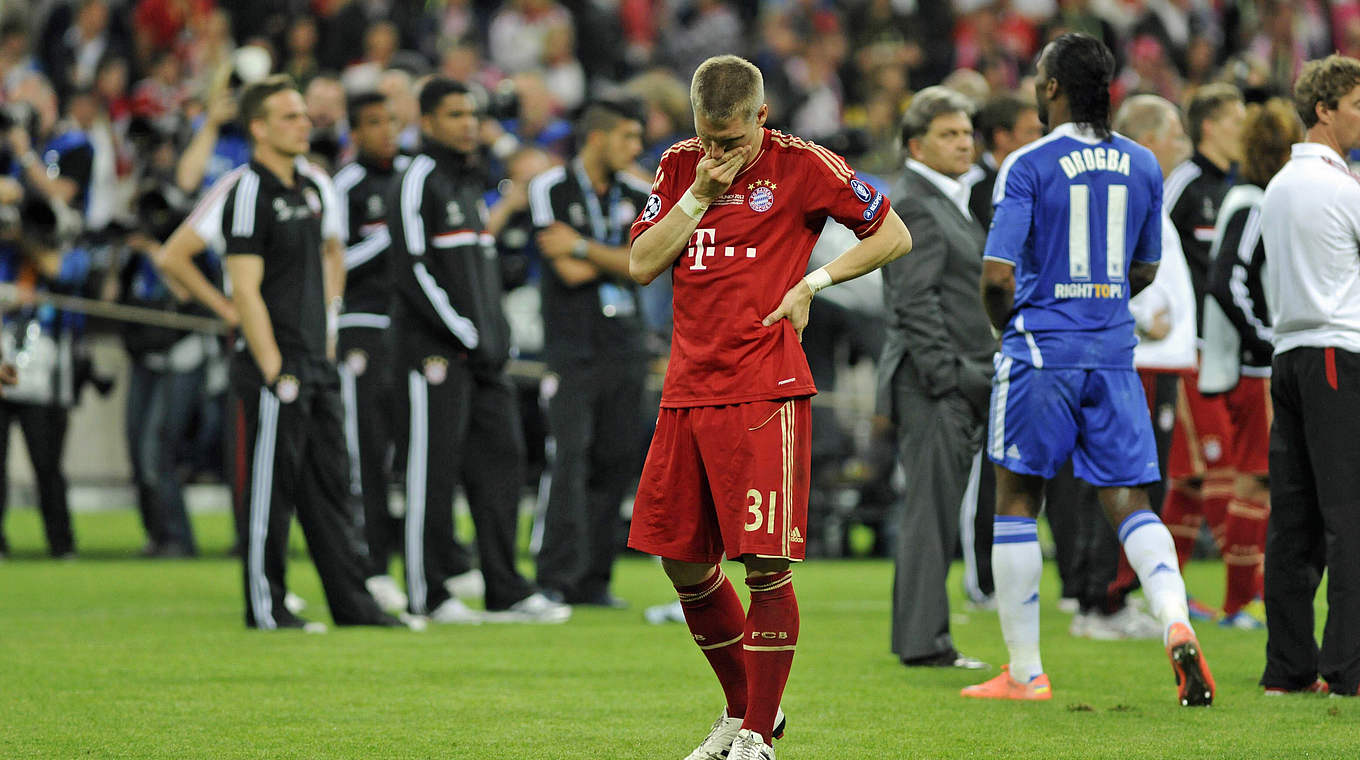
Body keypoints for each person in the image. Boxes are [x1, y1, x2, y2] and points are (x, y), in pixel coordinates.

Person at [627, 55, 911, 759]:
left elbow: (893, 234)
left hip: (763, 386)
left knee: (764, 563)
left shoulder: (804, 164)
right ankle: (744, 709)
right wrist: (696, 195)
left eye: (732, 140)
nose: (718, 153)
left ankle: (757, 735)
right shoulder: (677, 167)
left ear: (762, 116)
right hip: (688, 385)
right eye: (707, 137)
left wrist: (814, 281)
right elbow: (640, 263)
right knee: (683, 563)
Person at [962, 33, 1214, 706]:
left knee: (1017, 499)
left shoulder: (1028, 163)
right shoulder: (1141, 164)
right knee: (1129, 500)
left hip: (1040, 350)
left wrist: (1009, 323)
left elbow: (996, 275)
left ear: (1051, 88)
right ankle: (1175, 618)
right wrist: (1100, 303)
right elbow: (1147, 267)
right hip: (1113, 353)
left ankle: (1024, 673)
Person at [220, 74, 406, 632]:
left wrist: (326, 331)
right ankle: (266, 604)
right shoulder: (250, 190)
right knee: (270, 494)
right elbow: (244, 286)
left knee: (332, 488)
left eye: (304, 114)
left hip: (316, 361)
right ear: (259, 127)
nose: (304, 124)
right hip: (276, 368)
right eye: (289, 116)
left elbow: (333, 255)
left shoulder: (310, 184)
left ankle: (354, 606)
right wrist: (272, 364)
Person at [387, 76, 569, 625]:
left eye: (472, 113)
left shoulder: (470, 182)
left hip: (485, 358)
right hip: (435, 356)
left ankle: (505, 587)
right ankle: (429, 593)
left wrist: (495, 337)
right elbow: (412, 268)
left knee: (503, 464)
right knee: (432, 472)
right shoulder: (418, 178)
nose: (468, 122)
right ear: (427, 122)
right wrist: (466, 333)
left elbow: (478, 270)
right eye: (454, 113)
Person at [1066, 94, 1194, 641]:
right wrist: (1143, 315)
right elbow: (1099, 262)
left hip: (1159, 362)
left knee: (1144, 481)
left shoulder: (1147, 193)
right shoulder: (1124, 192)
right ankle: (1102, 600)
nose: (1183, 145)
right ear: (1147, 141)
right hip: (1139, 360)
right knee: (1128, 480)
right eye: (1176, 135)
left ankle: (1113, 594)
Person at [879, 86, 992, 670]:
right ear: (916, 144)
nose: (964, 142)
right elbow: (912, 298)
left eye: (967, 132)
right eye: (949, 134)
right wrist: (948, 376)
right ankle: (926, 642)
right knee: (931, 511)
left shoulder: (948, 198)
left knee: (937, 509)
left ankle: (923, 636)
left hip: (948, 378)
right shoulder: (919, 202)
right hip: (934, 384)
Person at [1259, 54, 1360, 698]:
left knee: (1291, 519)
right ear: (1325, 110)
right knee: (1348, 517)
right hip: (1337, 354)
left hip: (1288, 356)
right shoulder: (1342, 189)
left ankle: (1287, 669)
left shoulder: (1279, 187)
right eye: (1356, 105)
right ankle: (1349, 668)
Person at [527, 97, 652, 608]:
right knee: (569, 458)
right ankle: (554, 576)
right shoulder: (549, 187)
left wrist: (581, 245)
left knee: (616, 461)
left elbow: (644, 263)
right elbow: (568, 273)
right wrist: (613, 259)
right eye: (628, 136)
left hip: (625, 344)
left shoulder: (637, 191)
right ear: (597, 138)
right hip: (572, 347)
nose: (637, 148)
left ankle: (594, 580)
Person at [1201, 98, 1302, 629]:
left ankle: (1250, 596)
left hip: (1253, 363)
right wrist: (1262, 341)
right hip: (1254, 368)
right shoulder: (1252, 205)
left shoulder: (1255, 200)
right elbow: (1227, 278)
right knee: (1254, 480)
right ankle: (1240, 602)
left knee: (1261, 479)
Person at [1160, 83, 1246, 622]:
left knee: (1191, 480)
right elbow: (1146, 243)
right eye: (1237, 118)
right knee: (1219, 470)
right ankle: (1244, 595)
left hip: (1227, 351)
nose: (1244, 128)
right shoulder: (1184, 184)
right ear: (1210, 125)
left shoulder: (1235, 186)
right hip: (1187, 349)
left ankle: (1159, 585)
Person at [330, 91, 410, 614]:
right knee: (367, 450)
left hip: (408, 331)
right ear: (355, 133)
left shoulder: (411, 175)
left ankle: (437, 562)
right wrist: (391, 240)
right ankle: (374, 565)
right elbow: (336, 259)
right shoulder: (345, 184)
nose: (387, 131)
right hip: (361, 326)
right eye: (375, 123)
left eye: (392, 121)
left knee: (414, 454)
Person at [969, 93, 1043, 227]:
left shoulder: (1038, 178)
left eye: (1040, 132)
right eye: (1030, 132)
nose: (1039, 140)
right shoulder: (972, 185)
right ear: (1002, 137)